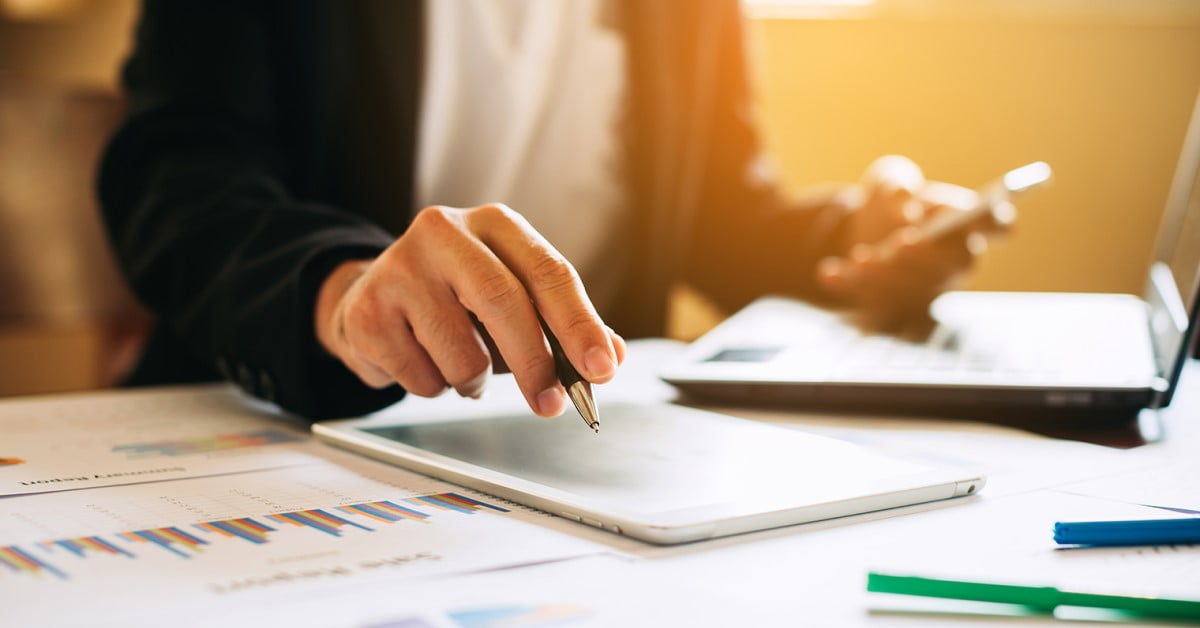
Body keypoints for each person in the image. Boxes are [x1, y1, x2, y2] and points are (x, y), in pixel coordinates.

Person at [98, 1, 1007, 421]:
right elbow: (175, 174)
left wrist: (855, 238)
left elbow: (714, 209)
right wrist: (344, 290)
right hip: (282, 435)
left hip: (585, 455)